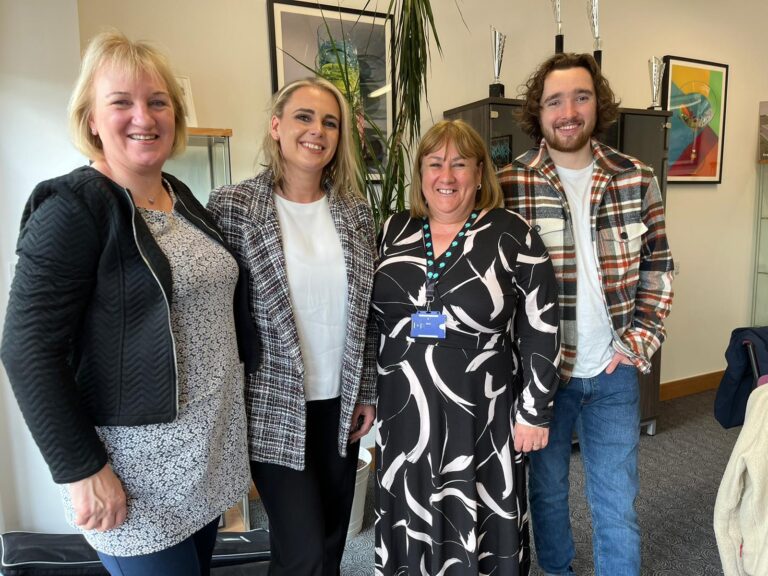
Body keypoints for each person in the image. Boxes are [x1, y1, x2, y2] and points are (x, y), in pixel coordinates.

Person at [0, 31, 250, 576]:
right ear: (91, 118)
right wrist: (82, 469)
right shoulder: (73, 207)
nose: (144, 116)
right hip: (137, 478)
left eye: (158, 101)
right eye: (121, 102)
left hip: (202, 462)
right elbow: (26, 347)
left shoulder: (179, 197)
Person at [498, 52, 675, 576]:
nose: (568, 111)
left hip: (614, 372)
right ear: (539, 111)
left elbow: (659, 267)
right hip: (543, 378)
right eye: (555, 101)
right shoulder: (509, 185)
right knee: (547, 494)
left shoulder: (634, 177)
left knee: (616, 501)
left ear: (598, 104)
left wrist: (639, 341)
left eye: (580, 96)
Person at [373, 119, 561, 575]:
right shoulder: (392, 230)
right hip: (404, 407)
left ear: (480, 173)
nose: (447, 176)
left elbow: (542, 323)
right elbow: (367, 320)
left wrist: (535, 409)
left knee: (477, 504)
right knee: (410, 507)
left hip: (481, 408)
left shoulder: (513, 233)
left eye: (460, 164)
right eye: (435, 163)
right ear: (421, 173)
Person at [207, 76, 377, 576]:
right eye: (304, 117)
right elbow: (219, 310)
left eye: (330, 122)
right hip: (271, 403)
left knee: (326, 544)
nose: (317, 131)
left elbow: (367, 314)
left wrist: (365, 388)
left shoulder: (355, 213)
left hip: (339, 404)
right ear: (277, 126)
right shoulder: (234, 206)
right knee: (304, 549)